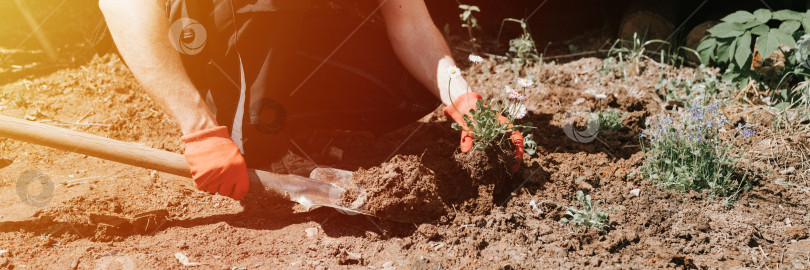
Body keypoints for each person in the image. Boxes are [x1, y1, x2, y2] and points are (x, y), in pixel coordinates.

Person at [98, 0, 523, 200]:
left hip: (288, 28)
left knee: (408, 88)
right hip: (203, 35)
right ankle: (237, 123)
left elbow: (408, 19)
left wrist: (466, 102)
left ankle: (287, 121)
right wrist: (198, 126)